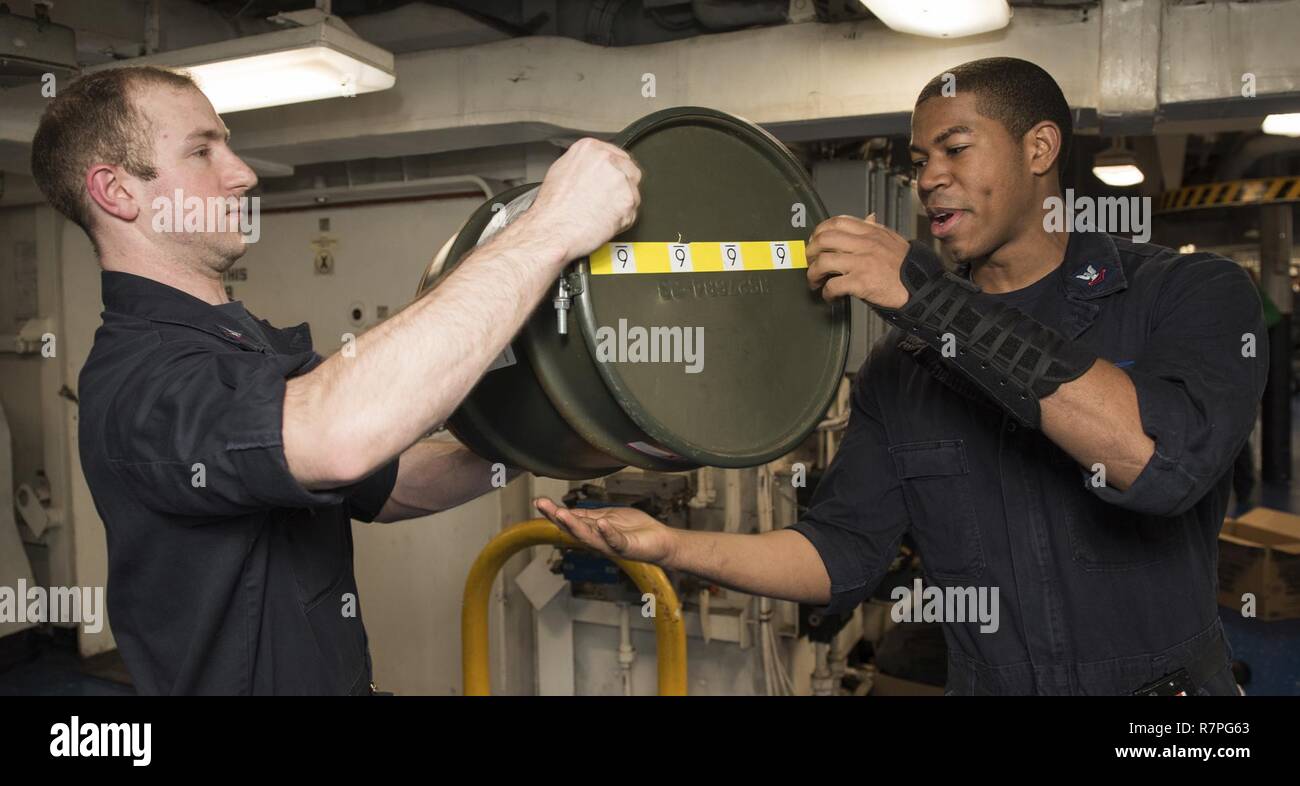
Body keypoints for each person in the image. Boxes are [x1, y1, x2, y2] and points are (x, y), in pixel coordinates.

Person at [535, 57, 1267, 696]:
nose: (929, 179)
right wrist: (671, 547)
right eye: (919, 161)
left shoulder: (1191, 294)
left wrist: (929, 301)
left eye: (954, 148)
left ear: (1039, 147)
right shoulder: (906, 366)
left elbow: (1158, 462)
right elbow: (842, 552)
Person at [29, 65, 641, 695]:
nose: (242, 172)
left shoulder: (240, 344)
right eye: (202, 150)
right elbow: (334, 437)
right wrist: (550, 230)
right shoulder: (142, 383)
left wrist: (553, 436)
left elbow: (390, 481)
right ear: (117, 192)